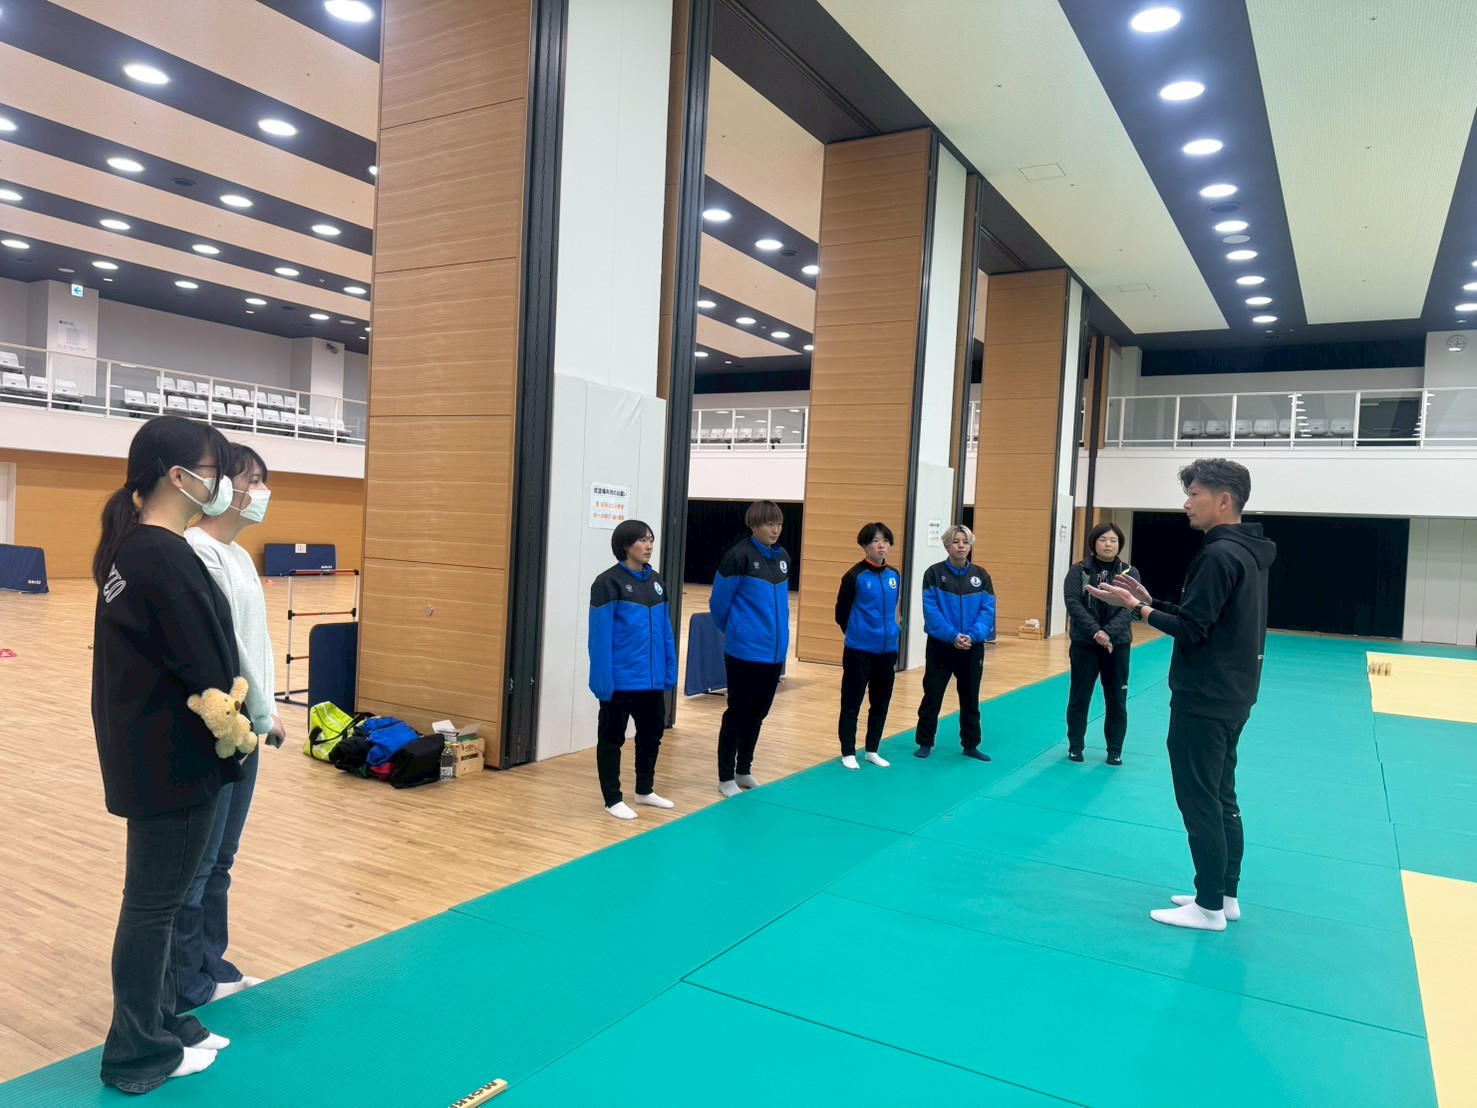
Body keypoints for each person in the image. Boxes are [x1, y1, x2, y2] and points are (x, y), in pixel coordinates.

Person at [91, 416, 244, 1092]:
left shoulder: (140, 549)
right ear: (178, 477)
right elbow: (205, 668)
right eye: (215, 470)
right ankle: (136, 1050)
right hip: (172, 757)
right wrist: (236, 731)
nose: (224, 483)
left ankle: (161, 1021)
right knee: (153, 905)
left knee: (163, 899)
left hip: (154, 752)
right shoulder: (160, 555)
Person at [1087, 459, 1275, 932]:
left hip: (1204, 697)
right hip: (1234, 692)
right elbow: (1206, 617)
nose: (1187, 503)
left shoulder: (1217, 555)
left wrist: (1136, 608)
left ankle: (1208, 906)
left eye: (1194, 494)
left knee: (1200, 800)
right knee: (1222, 795)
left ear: (1223, 500)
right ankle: (1224, 894)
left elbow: (1192, 630)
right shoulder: (1247, 552)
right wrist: (1150, 601)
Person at [175, 444, 281, 1010]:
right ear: (221, 487)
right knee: (199, 863)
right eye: (251, 479)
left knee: (223, 858)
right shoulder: (198, 551)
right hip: (219, 730)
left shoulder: (239, 556)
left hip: (250, 729)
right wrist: (260, 712)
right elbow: (230, 646)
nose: (260, 491)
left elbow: (259, 643)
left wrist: (270, 712)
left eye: (263, 480)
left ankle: (212, 962)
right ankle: (187, 979)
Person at [587, 519, 678, 820]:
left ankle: (645, 790)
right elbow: (599, 637)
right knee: (612, 740)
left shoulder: (657, 582)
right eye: (642, 540)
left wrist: (669, 669)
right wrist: (602, 679)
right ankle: (612, 799)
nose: (649, 546)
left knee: (651, 735)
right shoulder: (607, 582)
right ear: (626, 545)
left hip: (651, 681)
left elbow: (665, 632)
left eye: (651, 539)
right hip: (621, 680)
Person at [709, 500, 791, 797]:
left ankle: (743, 770)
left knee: (758, 713)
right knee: (738, 713)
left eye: (778, 524)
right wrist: (736, 632)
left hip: (774, 652)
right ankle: (725, 777)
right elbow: (719, 604)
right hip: (745, 652)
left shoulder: (782, 557)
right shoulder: (738, 557)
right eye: (769, 524)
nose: (775, 529)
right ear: (753, 525)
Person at [915, 524, 996, 761]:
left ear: (970, 545)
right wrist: (952, 636)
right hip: (941, 645)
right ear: (946, 545)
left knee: (970, 697)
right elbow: (931, 612)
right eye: (955, 541)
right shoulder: (933, 573)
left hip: (972, 646)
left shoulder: (981, 575)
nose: (961, 546)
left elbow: (987, 610)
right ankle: (925, 742)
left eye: (965, 542)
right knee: (932, 695)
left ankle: (970, 744)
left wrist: (973, 635)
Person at [1063, 522, 1140, 765]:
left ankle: (1114, 750)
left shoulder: (1130, 572)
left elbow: (1131, 607)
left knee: (1116, 700)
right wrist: (1096, 632)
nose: (1108, 544)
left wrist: (1108, 633)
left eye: (1113, 540)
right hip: (1085, 644)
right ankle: (1075, 747)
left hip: (1118, 645)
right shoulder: (1079, 570)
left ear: (1119, 544)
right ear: (1094, 543)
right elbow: (1073, 603)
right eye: (1103, 539)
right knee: (1079, 698)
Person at [834, 522, 901, 770]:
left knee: (880, 703)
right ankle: (848, 752)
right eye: (874, 540)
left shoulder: (894, 575)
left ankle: (872, 749)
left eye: (885, 540)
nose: (881, 545)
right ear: (864, 545)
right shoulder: (854, 576)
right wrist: (858, 633)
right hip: (859, 651)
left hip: (887, 651)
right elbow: (841, 614)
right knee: (852, 703)